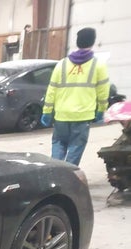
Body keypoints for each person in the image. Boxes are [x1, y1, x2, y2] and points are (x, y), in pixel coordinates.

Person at [41, 27, 110, 165]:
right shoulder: (98, 65)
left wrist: (47, 112)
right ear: (92, 42)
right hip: (83, 116)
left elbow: (51, 90)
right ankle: (68, 177)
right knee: (75, 147)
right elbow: (103, 91)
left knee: (59, 143)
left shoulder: (62, 64)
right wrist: (102, 109)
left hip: (61, 116)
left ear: (77, 42)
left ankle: (55, 172)